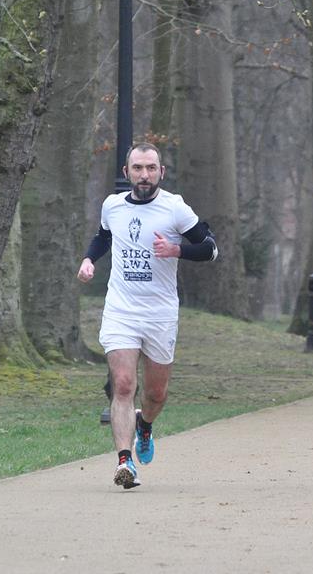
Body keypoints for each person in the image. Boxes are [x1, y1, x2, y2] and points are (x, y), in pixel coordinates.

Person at [77, 142, 218, 489]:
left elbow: (210, 248)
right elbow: (103, 237)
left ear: (161, 172)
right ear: (126, 172)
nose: (144, 175)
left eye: (151, 168)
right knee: (124, 385)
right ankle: (124, 462)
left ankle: (146, 425)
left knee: (156, 394)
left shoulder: (175, 208)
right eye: (138, 168)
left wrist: (177, 250)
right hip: (121, 310)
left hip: (160, 314)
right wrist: (89, 259)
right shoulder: (112, 205)